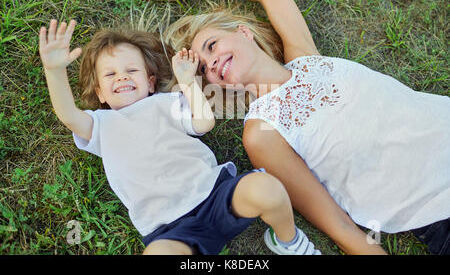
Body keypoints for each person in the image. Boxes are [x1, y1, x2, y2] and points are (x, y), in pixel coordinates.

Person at [141, 0, 450, 255]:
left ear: (243, 33)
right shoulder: (263, 133)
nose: (212, 64)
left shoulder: (305, 57)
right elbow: (337, 223)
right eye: (205, 70)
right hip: (435, 207)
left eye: (211, 46)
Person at [38, 19, 322, 255]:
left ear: (150, 83)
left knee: (267, 189)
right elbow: (68, 114)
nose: (122, 78)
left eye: (131, 71)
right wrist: (54, 70)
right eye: (110, 75)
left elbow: (204, 122)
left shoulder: (165, 102)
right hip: (170, 228)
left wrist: (187, 83)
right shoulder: (100, 124)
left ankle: (289, 241)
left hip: (215, 195)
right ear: (99, 93)